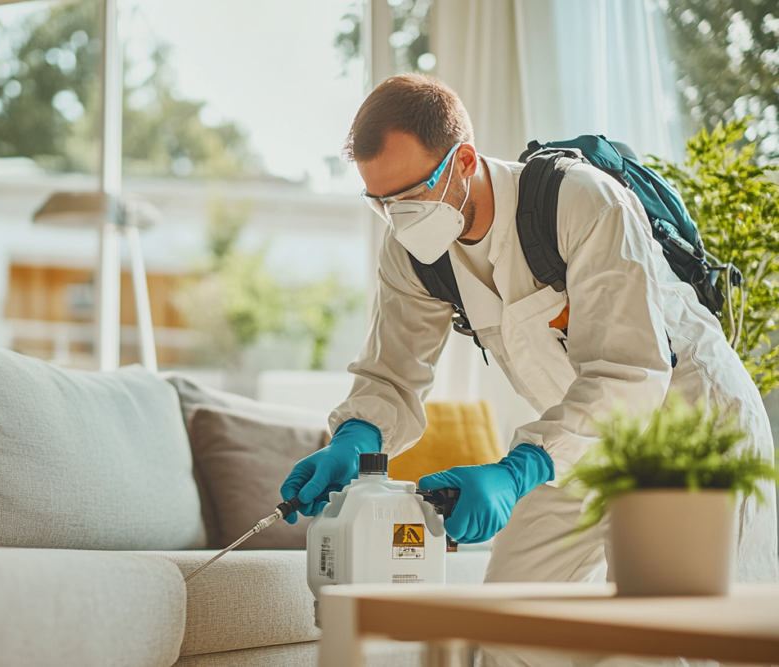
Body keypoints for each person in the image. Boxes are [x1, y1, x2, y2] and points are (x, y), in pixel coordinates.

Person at [280, 73, 777, 652]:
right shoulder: (412, 254)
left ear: (464, 160)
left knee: (678, 642)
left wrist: (516, 473)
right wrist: (356, 438)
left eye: (412, 195)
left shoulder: (580, 200)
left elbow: (629, 372)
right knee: (507, 632)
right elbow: (392, 374)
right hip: (574, 443)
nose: (398, 217)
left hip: (691, 428)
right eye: (381, 202)